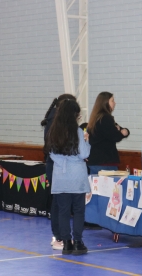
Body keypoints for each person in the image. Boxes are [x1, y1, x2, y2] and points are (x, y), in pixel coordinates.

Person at [44, 99, 91, 255]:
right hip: (77, 176)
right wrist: (87, 142)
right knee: (78, 211)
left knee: (63, 212)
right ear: (73, 115)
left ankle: (66, 244)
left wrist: (62, 161)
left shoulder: (52, 131)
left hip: (60, 176)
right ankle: (78, 242)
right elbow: (84, 154)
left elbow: (50, 152)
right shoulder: (77, 131)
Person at [41, 93, 76, 250]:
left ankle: (59, 235)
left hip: (56, 164)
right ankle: (59, 237)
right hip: (56, 164)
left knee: (59, 202)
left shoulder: (55, 119)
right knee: (58, 202)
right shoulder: (56, 121)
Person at [87, 92, 130, 175]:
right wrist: (121, 133)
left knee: (95, 186)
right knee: (108, 187)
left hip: (95, 160)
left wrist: (122, 131)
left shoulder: (95, 118)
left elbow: (120, 130)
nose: (115, 103)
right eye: (112, 101)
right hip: (104, 162)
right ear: (105, 103)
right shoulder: (105, 118)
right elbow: (115, 136)